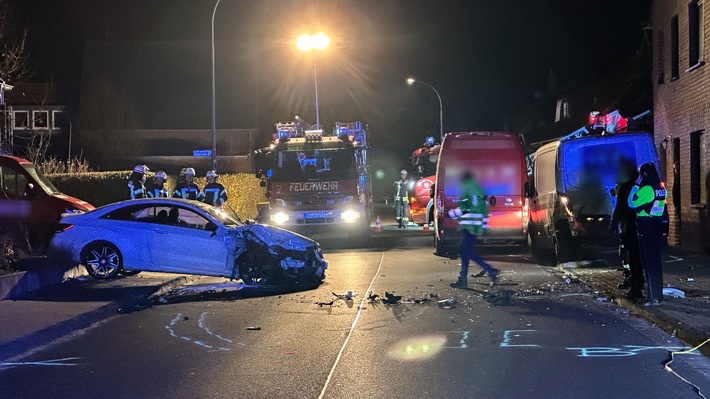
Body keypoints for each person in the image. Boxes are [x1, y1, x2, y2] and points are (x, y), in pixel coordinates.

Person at [449, 171, 499, 288]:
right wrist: (484, 226)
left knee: (467, 251)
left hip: (468, 225)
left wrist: (452, 213)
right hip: (476, 226)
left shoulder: (466, 189)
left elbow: (465, 207)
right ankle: (463, 279)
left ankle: (490, 270)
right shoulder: (479, 189)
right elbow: (484, 210)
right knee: (465, 252)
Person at [628, 162, 667, 307]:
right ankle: (658, 295)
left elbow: (631, 202)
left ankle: (652, 297)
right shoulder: (661, 188)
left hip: (647, 226)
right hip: (657, 225)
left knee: (649, 264)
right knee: (656, 263)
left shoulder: (647, 189)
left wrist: (636, 186)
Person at [609, 158, 643, 300]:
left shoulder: (627, 186)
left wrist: (612, 226)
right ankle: (635, 283)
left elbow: (620, 207)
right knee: (635, 258)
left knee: (631, 258)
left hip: (630, 226)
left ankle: (635, 288)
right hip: (640, 226)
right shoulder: (638, 184)